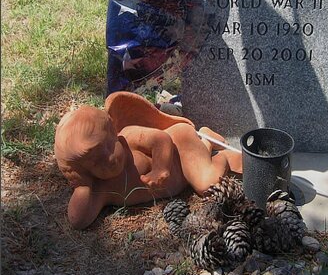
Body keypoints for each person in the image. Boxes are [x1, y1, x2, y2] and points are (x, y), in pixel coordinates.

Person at [54, 91, 242, 229]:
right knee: (204, 180)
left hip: (180, 145)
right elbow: (77, 220)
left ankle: (219, 153)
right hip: (181, 172)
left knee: (207, 185)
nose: (109, 160)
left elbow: (161, 139)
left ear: (113, 133)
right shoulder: (102, 189)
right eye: (95, 162)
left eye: (109, 147)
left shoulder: (128, 137)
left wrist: (161, 168)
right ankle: (205, 142)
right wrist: (81, 184)